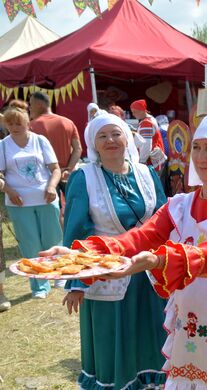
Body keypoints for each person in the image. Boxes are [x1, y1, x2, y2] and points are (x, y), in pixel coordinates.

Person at [42, 115, 207, 389]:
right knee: (190, 374)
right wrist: (82, 254)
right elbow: (140, 237)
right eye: (197, 147)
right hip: (189, 308)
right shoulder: (180, 205)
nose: (201, 157)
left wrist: (158, 260)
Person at [61, 113, 168, 389]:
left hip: (147, 272)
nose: (110, 140)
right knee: (114, 336)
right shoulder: (83, 178)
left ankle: (150, 383)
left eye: (116, 134)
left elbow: (163, 218)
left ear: (127, 137)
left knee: (151, 333)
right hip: (106, 272)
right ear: (93, 143)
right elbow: (76, 232)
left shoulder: (146, 173)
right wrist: (77, 282)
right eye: (102, 136)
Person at [0, 102, 62, 298]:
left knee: (52, 239)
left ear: (28, 122)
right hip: (19, 204)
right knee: (30, 244)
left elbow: (55, 169)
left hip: (46, 199)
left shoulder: (40, 140)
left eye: (18, 123)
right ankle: (39, 286)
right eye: (10, 124)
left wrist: (52, 186)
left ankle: (59, 275)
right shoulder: (2, 146)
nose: (14, 127)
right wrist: (9, 190)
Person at [29, 91, 82, 189]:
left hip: (45, 176)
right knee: (72, 203)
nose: (29, 108)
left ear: (39, 105)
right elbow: (78, 149)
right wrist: (69, 170)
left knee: (53, 203)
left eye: (31, 104)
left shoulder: (31, 126)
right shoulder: (68, 122)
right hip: (66, 174)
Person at [130, 99, 166, 174]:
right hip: (156, 156)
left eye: (134, 112)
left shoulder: (146, 123)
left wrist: (141, 162)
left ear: (141, 110)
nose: (133, 114)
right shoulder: (151, 119)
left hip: (150, 161)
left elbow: (146, 144)